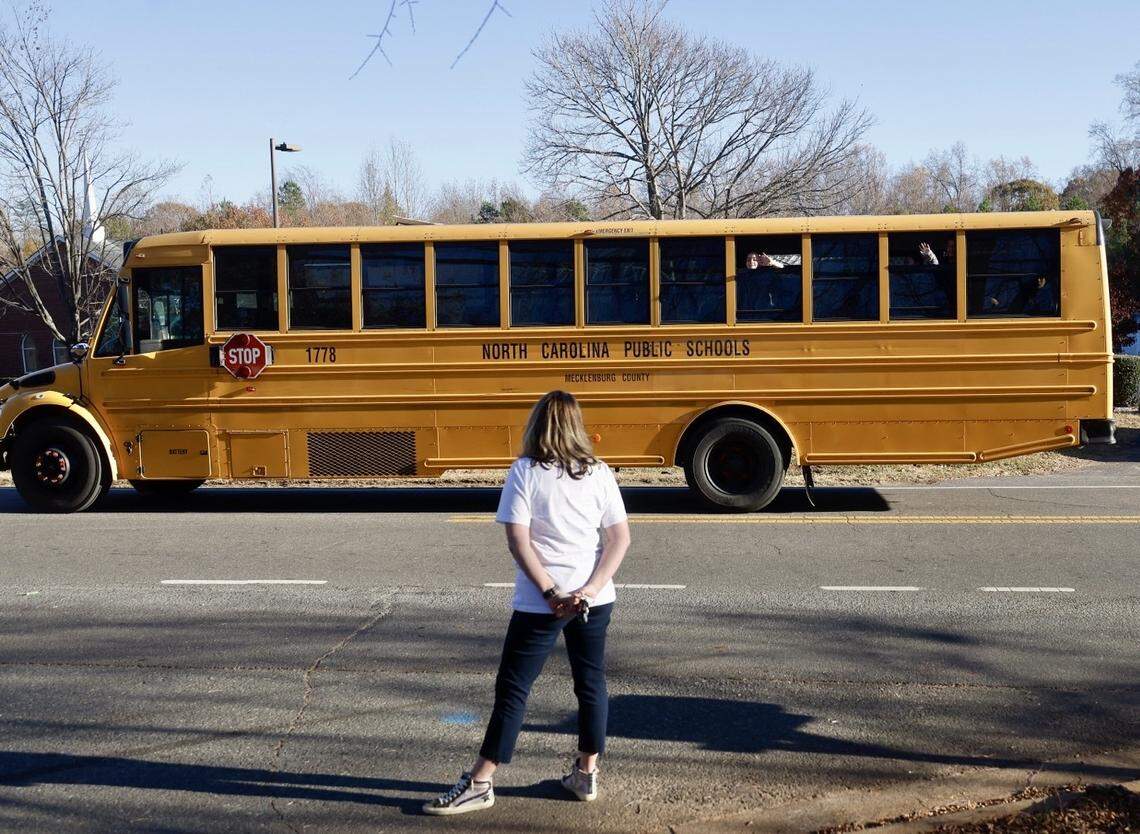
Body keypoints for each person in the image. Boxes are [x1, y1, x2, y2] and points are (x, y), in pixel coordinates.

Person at [423, 390, 632, 816]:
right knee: (590, 683)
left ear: (537, 424)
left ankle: (481, 782)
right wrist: (589, 590)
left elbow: (518, 540)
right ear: (577, 425)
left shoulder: (525, 471)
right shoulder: (599, 472)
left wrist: (552, 592)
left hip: (542, 603)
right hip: (594, 599)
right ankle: (586, 773)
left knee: (514, 689)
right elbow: (619, 539)